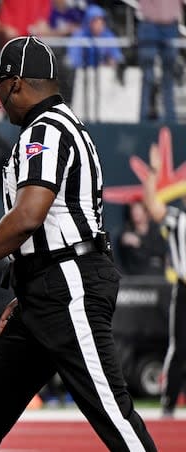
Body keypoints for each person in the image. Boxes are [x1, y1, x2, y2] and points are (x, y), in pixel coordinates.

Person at [0, 36, 157, 451]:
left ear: (16, 83)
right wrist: (28, 286)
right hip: (50, 285)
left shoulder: (48, 129)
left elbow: (27, 217)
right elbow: (54, 225)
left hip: (67, 285)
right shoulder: (60, 126)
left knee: (111, 409)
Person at [140, 143, 186, 418]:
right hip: (184, 289)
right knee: (179, 347)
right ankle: (168, 404)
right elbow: (152, 205)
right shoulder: (178, 220)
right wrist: (154, 173)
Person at [138, 0, 179, 122]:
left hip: (171, 25)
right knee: (148, 76)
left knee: (169, 76)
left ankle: (171, 120)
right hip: (149, 24)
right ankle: (143, 119)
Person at [116, 201, 167, 276]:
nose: (135, 213)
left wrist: (140, 242)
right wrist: (122, 240)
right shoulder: (126, 232)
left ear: (147, 212)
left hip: (156, 279)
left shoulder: (156, 231)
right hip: (133, 280)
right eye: (133, 210)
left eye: (138, 210)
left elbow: (161, 252)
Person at [66, 5, 123, 69]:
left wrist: (110, 61)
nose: (99, 25)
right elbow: (73, 59)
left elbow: (116, 57)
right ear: (88, 22)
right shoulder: (79, 35)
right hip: (83, 72)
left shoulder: (108, 35)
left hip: (103, 71)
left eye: (101, 21)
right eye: (95, 21)